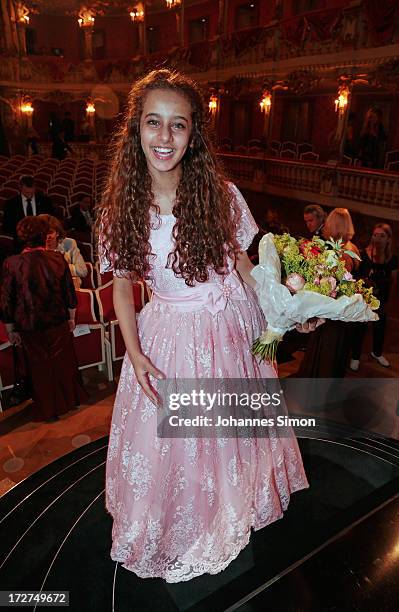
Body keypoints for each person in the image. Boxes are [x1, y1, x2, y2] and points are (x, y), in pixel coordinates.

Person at [98, 69, 321, 583]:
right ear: (136, 129)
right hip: (171, 338)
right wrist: (133, 353)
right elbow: (124, 285)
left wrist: (281, 307)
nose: (164, 137)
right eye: (153, 123)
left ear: (193, 133)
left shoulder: (222, 194)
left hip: (235, 329)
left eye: (178, 125)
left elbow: (247, 266)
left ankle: (236, 503)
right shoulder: (120, 209)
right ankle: (196, 518)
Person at [0, 216, 86, 422]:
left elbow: (6, 302)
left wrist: (11, 329)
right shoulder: (57, 259)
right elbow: (70, 296)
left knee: (39, 367)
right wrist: (72, 318)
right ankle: (68, 402)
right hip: (57, 320)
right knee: (62, 362)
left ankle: (48, 408)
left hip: (30, 325)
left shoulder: (12, 264)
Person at [298, 208, 359, 378]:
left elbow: (335, 284)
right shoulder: (352, 247)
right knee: (334, 355)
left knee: (326, 355)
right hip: (343, 314)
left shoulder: (340, 253)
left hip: (333, 313)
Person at [350, 223, 398, 371]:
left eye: (382, 236)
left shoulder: (392, 259)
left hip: (381, 299)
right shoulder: (363, 254)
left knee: (380, 327)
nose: (377, 238)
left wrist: (389, 301)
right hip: (364, 299)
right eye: (375, 235)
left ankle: (377, 353)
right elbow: (356, 278)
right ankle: (355, 356)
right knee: (360, 328)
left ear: (388, 239)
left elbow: (394, 282)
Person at [39, 214, 88, 289]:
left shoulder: (69, 243)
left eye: (50, 232)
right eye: (44, 233)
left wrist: (60, 267)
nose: (47, 236)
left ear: (57, 233)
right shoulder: (36, 248)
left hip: (68, 289)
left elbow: (82, 271)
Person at [3, 175, 55, 243]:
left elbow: (51, 221)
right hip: (19, 242)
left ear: (35, 187)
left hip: (42, 240)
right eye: (27, 193)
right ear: (20, 188)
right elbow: (7, 226)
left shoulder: (45, 201)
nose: (30, 195)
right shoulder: (10, 204)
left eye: (32, 192)